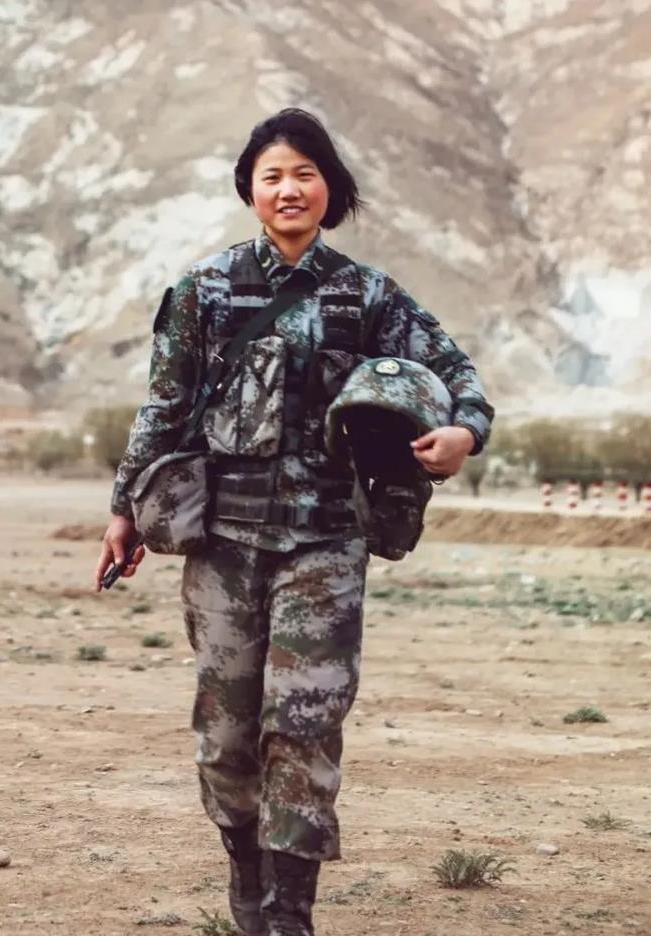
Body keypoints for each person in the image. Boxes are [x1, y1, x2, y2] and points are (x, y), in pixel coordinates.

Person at [94, 108, 494, 936]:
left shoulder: (369, 295)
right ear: (249, 188)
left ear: (329, 189)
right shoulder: (204, 291)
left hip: (326, 542)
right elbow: (163, 408)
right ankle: (246, 868)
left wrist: (464, 433)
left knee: (304, 723)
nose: (289, 189)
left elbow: (458, 375)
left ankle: (288, 912)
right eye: (272, 175)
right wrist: (123, 510)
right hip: (223, 544)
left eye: (305, 174)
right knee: (227, 734)